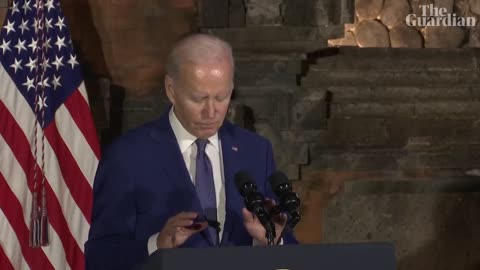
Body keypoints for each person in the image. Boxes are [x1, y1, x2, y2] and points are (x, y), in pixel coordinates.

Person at [84, 33, 297, 270]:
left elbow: (286, 248)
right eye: (199, 98)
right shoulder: (128, 156)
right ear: (171, 90)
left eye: (222, 97)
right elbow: (100, 257)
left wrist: (272, 240)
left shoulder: (255, 150)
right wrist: (157, 244)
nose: (211, 111)